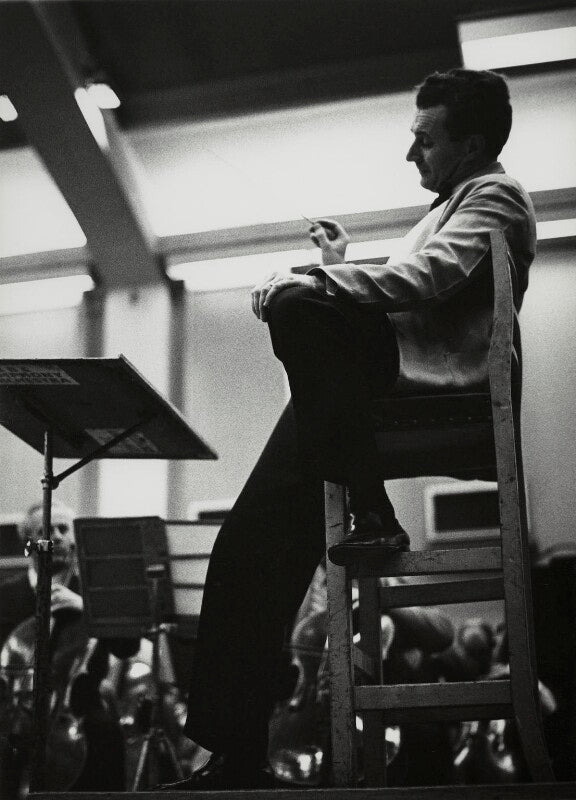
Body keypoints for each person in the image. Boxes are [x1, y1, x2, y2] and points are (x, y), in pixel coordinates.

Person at [163, 68, 537, 790]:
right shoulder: (449, 205)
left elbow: (424, 281)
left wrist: (314, 280)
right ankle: (236, 757)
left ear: (472, 145)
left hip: (428, 394)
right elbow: (399, 291)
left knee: (297, 306)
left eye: (425, 139)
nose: (410, 153)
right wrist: (335, 265)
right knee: (245, 546)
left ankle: (371, 505)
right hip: (363, 402)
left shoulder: (497, 195)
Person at [0, 500, 138, 794]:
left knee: (106, 733)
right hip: (16, 709)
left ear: (74, 539)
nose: (58, 537)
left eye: (64, 529)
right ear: (29, 543)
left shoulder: (92, 592)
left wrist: (87, 607)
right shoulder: (6, 595)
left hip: (80, 709)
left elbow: (127, 646)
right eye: (46, 530)